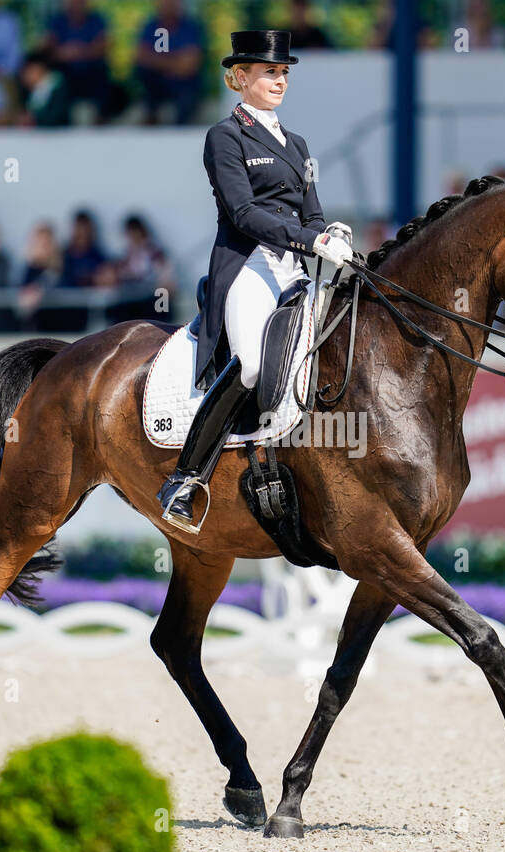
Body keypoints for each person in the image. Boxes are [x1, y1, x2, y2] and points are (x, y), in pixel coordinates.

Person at [156, 29, 353, 534]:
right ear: (239, 78)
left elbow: (311, 213)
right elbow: (242, 212)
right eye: (270, 72)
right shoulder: (225, 136)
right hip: (249, 265)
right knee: (250, 367)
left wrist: (329, 232)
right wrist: (310, 240)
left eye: (284, 72)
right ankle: (186, 477)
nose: (279, 80)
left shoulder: (298, 143)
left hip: (295, 266)